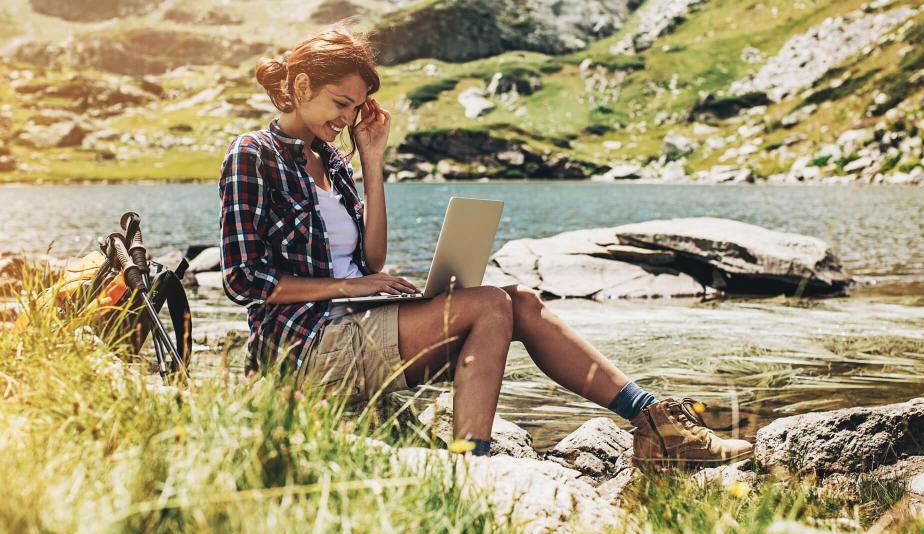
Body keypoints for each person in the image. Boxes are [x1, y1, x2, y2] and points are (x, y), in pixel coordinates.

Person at [218, 26, 753, 466]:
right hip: (305, 347)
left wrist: (373, 163)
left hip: (356, 325)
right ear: (304, 84)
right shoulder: (253, 154)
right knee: (490, 305)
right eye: (341, 103)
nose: (347, 119)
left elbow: (372, 261)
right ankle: (471, 460)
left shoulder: (336, 162)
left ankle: (654, 421)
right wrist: (351, 286)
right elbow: (243, 281)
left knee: (520, 300)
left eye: (355, 109)